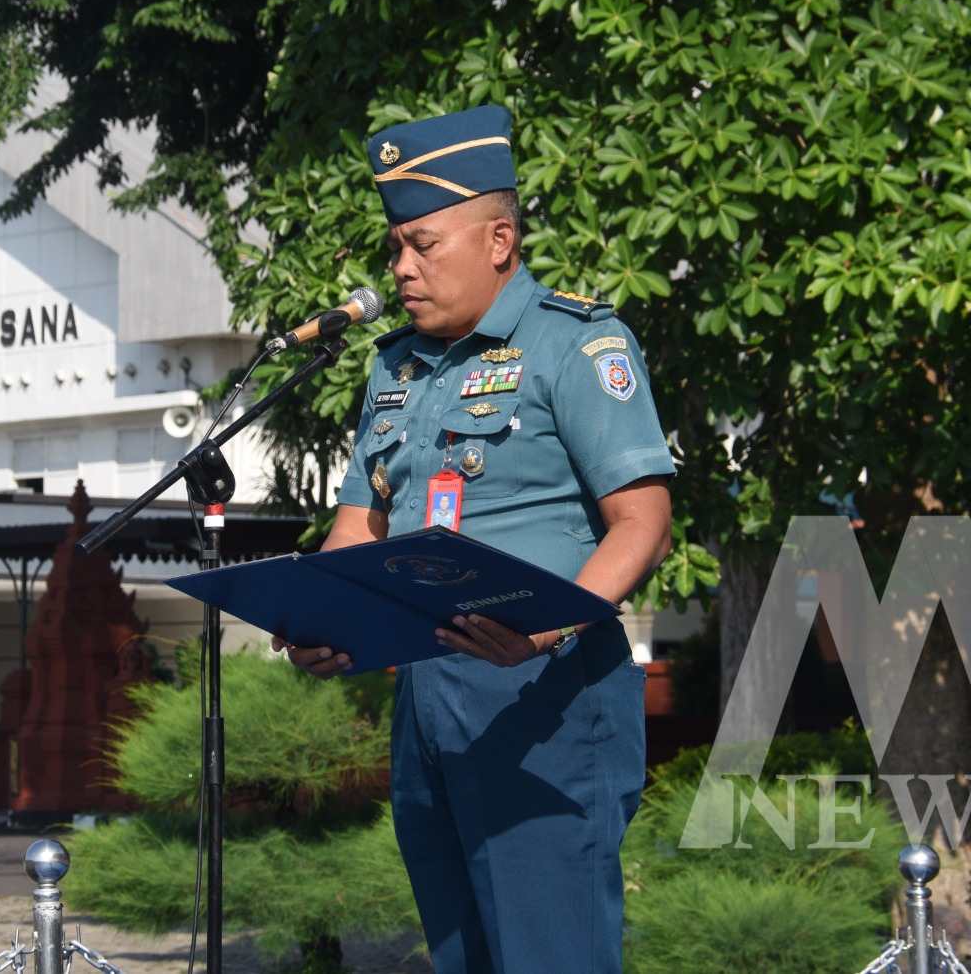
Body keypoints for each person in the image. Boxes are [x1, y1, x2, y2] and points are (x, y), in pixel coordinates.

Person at [273, 104, 676, 973]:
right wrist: (319, 619)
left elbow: (643, 524)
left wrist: (548, 625)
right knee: (461, 956)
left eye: (423, 244)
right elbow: (359, 525)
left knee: (550, 957)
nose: (401, 267)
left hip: (547, 696)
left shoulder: (576, 344)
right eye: (396, 247)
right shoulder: (394, 366)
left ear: (499, 240)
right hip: (427, 700)